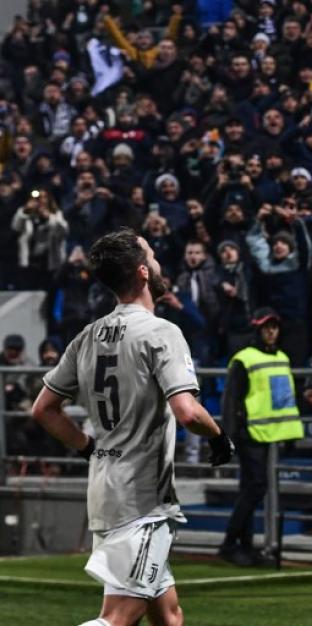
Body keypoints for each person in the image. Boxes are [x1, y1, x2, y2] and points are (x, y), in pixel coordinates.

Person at [30, 229, 234, 626]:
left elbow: (44, 409)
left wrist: (89, 447)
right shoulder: (161, 332)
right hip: (142, 499)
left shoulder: (87, 336)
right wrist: (219, 435)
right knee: (119, 617)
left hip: (107, 490)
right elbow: (187, 412)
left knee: (169, 615)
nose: (159, 264)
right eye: (154, 257)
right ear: (143, 272)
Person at [219, 307, 304, 566]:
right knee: (256, 487)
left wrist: (290, 433)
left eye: (274, 327)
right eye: (267, 327)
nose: (271, 331)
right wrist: (231, 436)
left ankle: (243, 545)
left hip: (267, 432)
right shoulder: (244, 359)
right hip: (249, 433)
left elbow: (284, 399)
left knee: (251, 488)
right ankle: (230, 543)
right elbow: (231, 400)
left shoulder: (281, 357)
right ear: (257, 329)